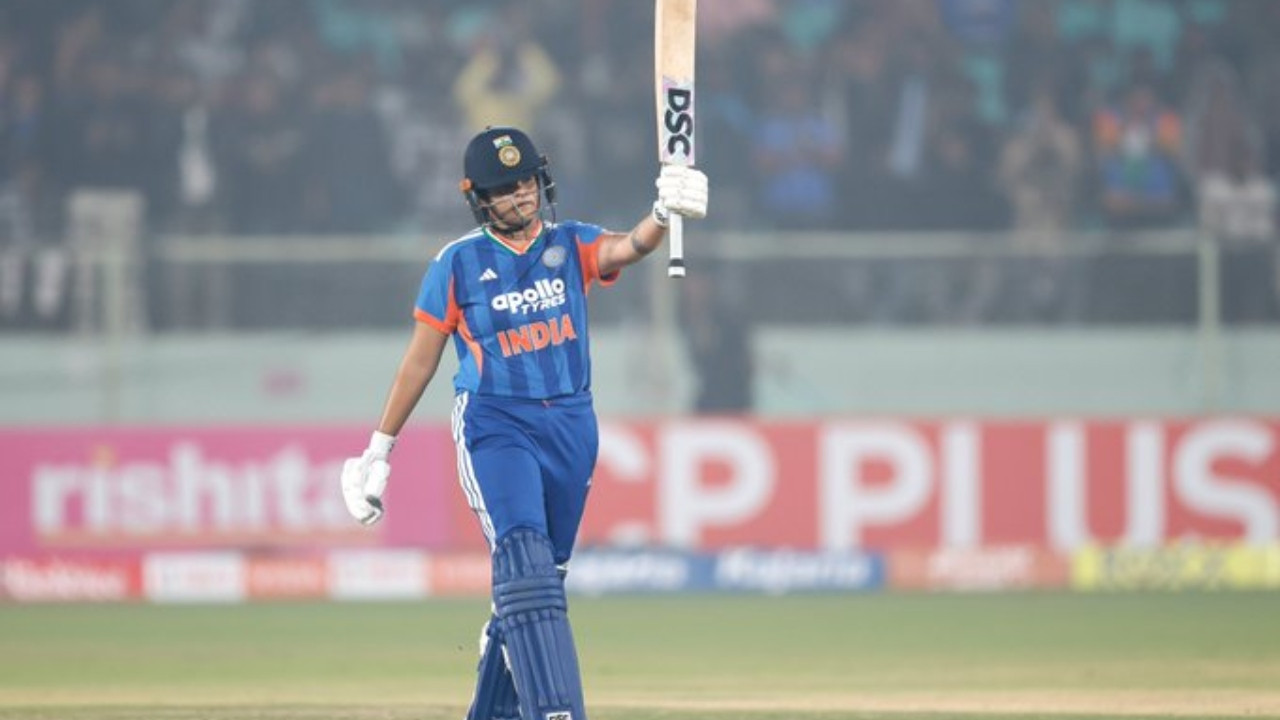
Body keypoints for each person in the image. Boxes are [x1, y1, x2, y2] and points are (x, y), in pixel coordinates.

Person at [339, 125, 708, 720]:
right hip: (496, 422)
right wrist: (379, 449)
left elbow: (628, 247)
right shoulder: (456, 263)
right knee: (525, 564)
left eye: (527, 182)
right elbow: (420, 361)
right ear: (478, 198)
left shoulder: (569, 242)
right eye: (505, 189)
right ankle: (555, 711)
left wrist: (663, 213)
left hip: (572, 422)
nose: (521, 195)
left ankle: (494, 696)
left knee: (543, 579)